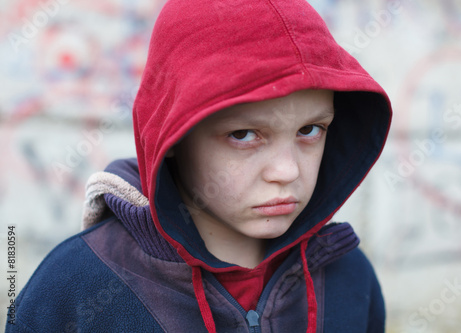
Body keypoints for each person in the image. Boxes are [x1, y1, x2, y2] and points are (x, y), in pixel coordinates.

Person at [6, 0, 392, 332]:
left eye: (310, 130)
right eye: (243, 135)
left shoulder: (348, 278)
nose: (287, 171)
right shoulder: (76, 286)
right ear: (172, 138)